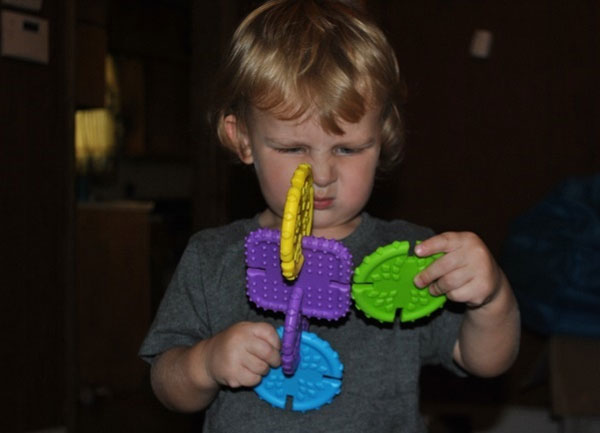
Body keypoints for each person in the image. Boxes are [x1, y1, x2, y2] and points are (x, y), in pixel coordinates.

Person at [139, 1, 520, 432]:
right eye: (292, 149)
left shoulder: (409, 258)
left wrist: (492, 299)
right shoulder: (212, 258)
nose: (321, 175)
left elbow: (485, 361)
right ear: (242, 138)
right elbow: (165, 382)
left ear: (382, 136)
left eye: (348, 149)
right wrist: (203, 363)